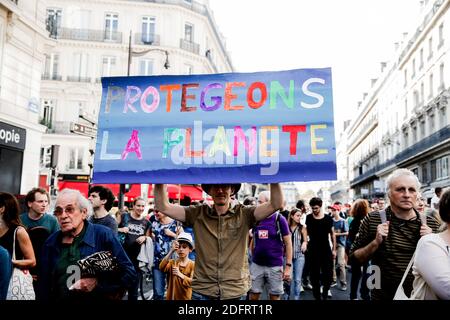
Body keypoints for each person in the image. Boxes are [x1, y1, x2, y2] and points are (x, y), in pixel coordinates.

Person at [154, 183, 283, 300]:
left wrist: (273, 177)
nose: (220, 190)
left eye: (225, 186)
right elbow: (162, 206)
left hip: (234, 291)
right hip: (203, 291)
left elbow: (276, 204)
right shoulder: (197, 213)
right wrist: (161, 176)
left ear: (232, 189)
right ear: (209, 190)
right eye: (215, 186)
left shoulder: (244, 214)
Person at [350, 168, 441, 300]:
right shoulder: (373, 219)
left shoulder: (431, 224)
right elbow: (354, 259)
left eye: (412, 190)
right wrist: (375, 243)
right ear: (389, 194)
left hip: (419, 296)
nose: (406, 194)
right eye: (400, 189)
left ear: (417, 194)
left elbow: (443, 266)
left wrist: (432, 241)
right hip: (382, 296)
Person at [38, 189, 136, 300]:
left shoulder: (103, 235)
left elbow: (129, 273)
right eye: (59, 211)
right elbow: (43, 286)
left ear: (84, 213)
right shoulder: (51, 243)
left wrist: (97, 284)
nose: (63, 216)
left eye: (69, 210)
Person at [249, 191, 292, 301]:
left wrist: (288, 267)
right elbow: (254, 238)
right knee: (253, 295)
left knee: (274, 297)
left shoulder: (279, 219)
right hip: (257, 265)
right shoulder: (257, 218)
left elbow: (288, 243)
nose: (257, 204)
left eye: (260, 202)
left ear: (268, 203)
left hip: (275, 266)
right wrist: (252, 258)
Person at [411, 188, 450, 299]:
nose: (420, 202)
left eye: (422, 199)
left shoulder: (432, 222)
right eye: (417, 199)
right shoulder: (430, 243)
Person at [20, 188, 59, 290]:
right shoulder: (19, 220)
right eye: (40, 201)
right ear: (30, 203)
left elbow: (56, 247)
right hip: (24, 266)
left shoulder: (52, 221)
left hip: (45, 267)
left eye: (46, 201)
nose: (44, 204)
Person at [118, 197, 151, 300]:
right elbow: (111, 229)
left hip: (137, 262)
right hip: (122, 259)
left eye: (142, 206)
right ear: (133, 206)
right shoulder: (124, 217)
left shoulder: (146, 223)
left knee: (133, 293)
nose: (140, 208)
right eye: (138, 205)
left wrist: (145, 237)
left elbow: (149, 238)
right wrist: (120, 229)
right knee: (118, 290)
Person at [305, 197, 336, 300]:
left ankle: (326, 292)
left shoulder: (328, 218)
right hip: (313, 249)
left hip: (325, 249)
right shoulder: (308, 218)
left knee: (328, 274)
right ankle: (317, 297)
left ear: (321, 206)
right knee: (314, 276)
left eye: (316, 208)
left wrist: (334, 249)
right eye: (313, 208)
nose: (314, 210)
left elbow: (332, 234)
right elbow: (305, 231)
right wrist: (305, 242)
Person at [0, 192, 36, 270]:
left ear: (2, 209)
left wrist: (8, 262)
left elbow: (32, 261)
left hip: (10, 277)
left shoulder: (19, 231)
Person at [151, 209, 181, 300]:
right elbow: (149, 236)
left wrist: (172, 234)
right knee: (158, 292)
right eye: (154, 211)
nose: (155, 213)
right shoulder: (154, 222)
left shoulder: (175, 223)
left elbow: (185, 240)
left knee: (172, 292)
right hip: (157, 262)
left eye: (158, 211)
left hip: (172, 261)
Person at [159, 232, 195, 300]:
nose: (181, 249)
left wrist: (180, 274)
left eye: (184, 247)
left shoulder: (193, 264)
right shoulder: (173, 262)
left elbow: (193, 282)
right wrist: (171, 251)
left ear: (190, 249)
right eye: (179, 247)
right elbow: (161, 267)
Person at [347, 199, 370, 300]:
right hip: (368, 250)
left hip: (356, 251)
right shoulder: (368, 220)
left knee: (356, 275)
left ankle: (353, 296)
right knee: (369, 273)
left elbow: (350, 238)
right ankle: (365, 294)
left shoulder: (353, 222)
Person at [285, 208, 307, 300]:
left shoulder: (302, 227)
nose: (299, 218)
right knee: (287, 279)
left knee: (297, 280)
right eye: (297, 216)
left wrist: (305, 243)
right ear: (292, 216)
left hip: (299, 256)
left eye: (300, 216)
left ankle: (296, 298)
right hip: (287, 257)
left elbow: (305, 240)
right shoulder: (286, 227)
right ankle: (287, 296)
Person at [331, 204, 348, 290]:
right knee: (332, 263)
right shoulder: (331, 221)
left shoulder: (343, 221)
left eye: (335, 210)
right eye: (332, 210)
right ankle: (334, 280)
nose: (333, 212)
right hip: (332, 244)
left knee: (341, 264)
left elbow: (347, 233)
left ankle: (343, 283)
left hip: (341, 244)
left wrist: (337, 234)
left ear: (338, 210)